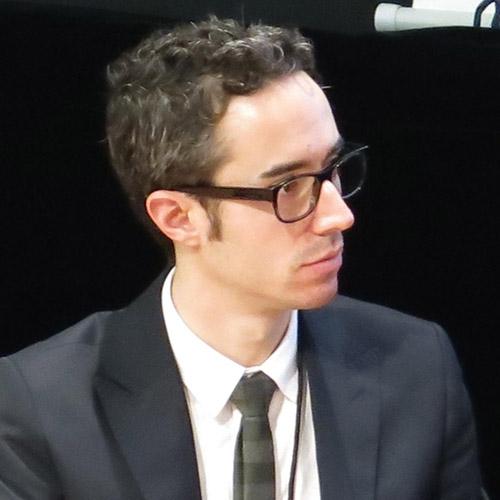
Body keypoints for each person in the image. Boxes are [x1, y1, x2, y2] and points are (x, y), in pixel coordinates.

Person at [0, 16, 483, 500]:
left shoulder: (417, 369)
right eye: (289, 187)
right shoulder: (42, 406)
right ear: (178, 217)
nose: (339, 215)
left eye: (333, 168)